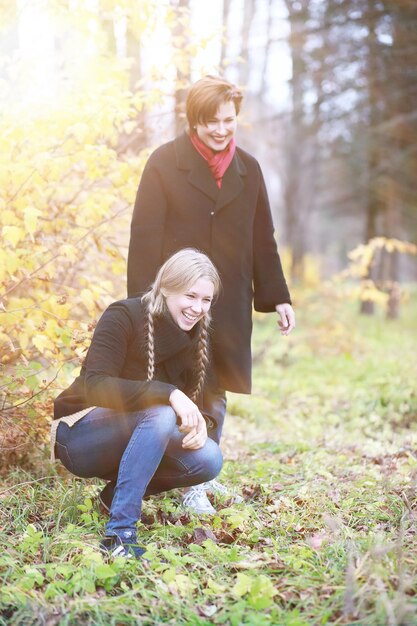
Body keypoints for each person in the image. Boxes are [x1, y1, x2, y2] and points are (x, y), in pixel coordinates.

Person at [127, 76, 295, 513]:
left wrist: (279, 296)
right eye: (211, 122)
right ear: (194, 121)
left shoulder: (250, 168)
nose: (221, 130)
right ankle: (188, 481)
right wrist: (141, 304)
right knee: (184, 385)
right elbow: (144, 237)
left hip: (229, 297)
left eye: (229, 120)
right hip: (176, 300)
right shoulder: (164, 163)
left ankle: (205, 471)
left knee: (216, 386)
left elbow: (264, 238)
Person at [51, 249, 223, 559]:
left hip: (139, 433)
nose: (198, 308)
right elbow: (97, 386)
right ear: (167, 288)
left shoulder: (198, 335)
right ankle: (120, 534)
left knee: (209, 459)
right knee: (159, 411)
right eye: (190, 296)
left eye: (206, 300)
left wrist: (202, 425)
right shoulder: (123, 315)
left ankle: (109, 499)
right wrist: (168, 392)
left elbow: (208, 399)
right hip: (80, 434)